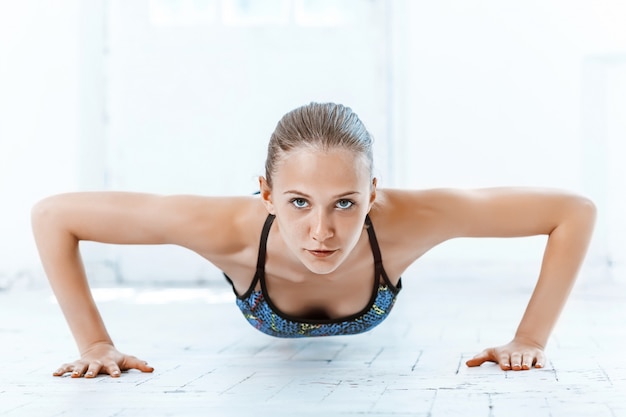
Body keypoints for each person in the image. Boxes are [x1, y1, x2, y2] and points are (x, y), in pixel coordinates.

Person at [31, 102, 596, 378]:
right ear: (266, 195)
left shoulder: (412, 219)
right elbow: (54, 215)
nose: (321, 231)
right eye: (298, 202)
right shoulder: (225, 229)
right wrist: (95, 344)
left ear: (373, 194)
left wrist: (531, 338)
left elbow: (573, 211)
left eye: (345, 203)